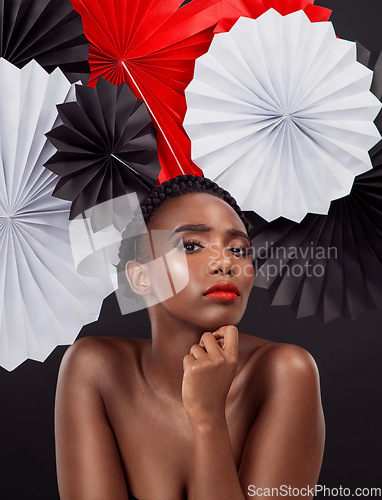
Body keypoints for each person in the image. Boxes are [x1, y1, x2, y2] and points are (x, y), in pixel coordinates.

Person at [55, 175, 325, 500]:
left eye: (239, 249)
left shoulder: (286, 372)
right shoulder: (95, 369)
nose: (225, 263)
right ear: (141, 278)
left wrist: (208, 420)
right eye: (191, 245)